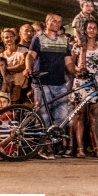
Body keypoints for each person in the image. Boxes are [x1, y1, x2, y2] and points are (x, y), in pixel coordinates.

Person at [24, 13, 75, 160]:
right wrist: (28, 68)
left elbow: (69, 62)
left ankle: (51, 144)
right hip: (42, 82)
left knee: (62, 116)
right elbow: (30, 55)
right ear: (47, 22)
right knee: (44, 116)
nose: (57, 23)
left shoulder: (64, 41)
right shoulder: (38, 38)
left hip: (60, 83)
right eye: (54, 21)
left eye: (59, 21)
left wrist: (76, 71)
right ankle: (44, 147)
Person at [71, 19, 98, 158]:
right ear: (85, 30)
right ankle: (80, 148)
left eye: (94, 28)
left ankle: (97, 146)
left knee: (95, 115)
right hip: (81, 82)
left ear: (97, 30)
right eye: (89, 28)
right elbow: (71, 63)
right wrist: (78, 70)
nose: (91, 30)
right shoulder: (79, 45)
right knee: (80, 114)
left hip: (95, 81)